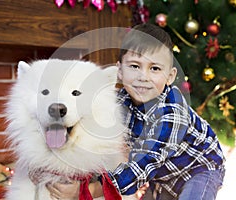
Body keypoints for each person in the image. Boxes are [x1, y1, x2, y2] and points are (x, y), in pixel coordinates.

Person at [47, 23, 225, 200]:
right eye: (134, 66)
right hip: (162, 175)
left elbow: (144, 164)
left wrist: (89, 191)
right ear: (120, 71)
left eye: (154, 68)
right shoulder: (120, 101)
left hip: (199, 169)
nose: (143, 77)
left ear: (170, 76)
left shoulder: (171, 115)